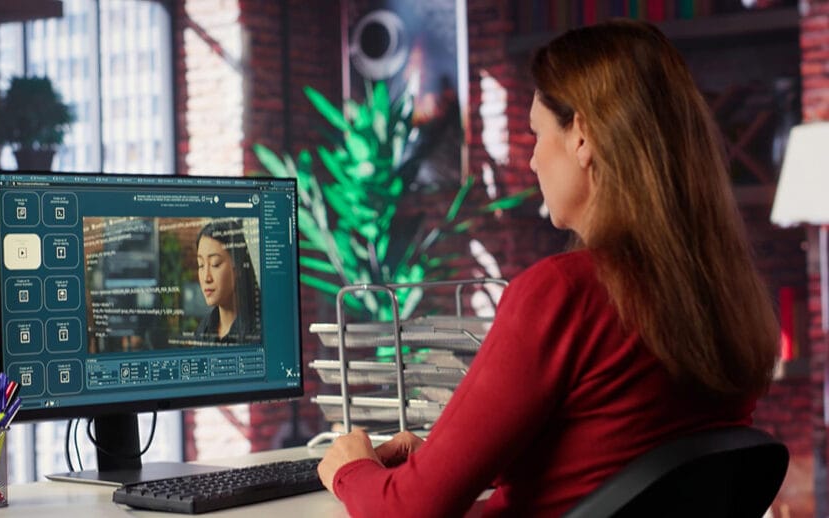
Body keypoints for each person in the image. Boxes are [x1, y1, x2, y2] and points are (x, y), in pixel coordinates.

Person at [316, 19, 779, 517]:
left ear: (581, 135)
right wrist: (442, 456)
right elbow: (611, 455)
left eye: (537, 134)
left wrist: (349, 467)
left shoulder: (564, 292)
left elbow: (408, 511)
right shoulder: (726, 297)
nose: (533, 160)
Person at [194, 218, 261, 342]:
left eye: (215, 264)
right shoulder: (203, 330)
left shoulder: (261, 330)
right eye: (201, 265)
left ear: (238, 267)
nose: (206, 278)